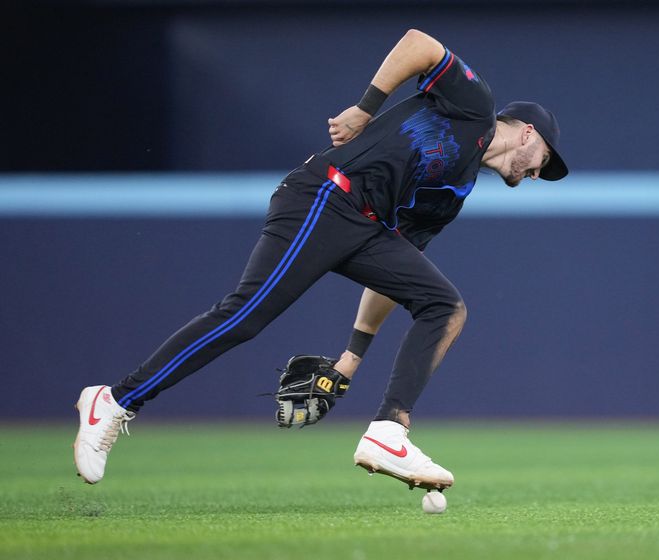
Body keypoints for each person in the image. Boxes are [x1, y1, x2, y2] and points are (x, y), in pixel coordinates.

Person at [73, 29, 568, 490]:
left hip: (362, 223)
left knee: (443, 305)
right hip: (325, 197)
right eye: (544, 162)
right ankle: (114, 400)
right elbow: (419, 43)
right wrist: (365, 107)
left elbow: (394, 275)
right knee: (245, 315)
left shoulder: (452, 194)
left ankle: (388, 432)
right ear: (528, 133)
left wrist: (351, 358)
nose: (533, 176)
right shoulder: (474, 107)